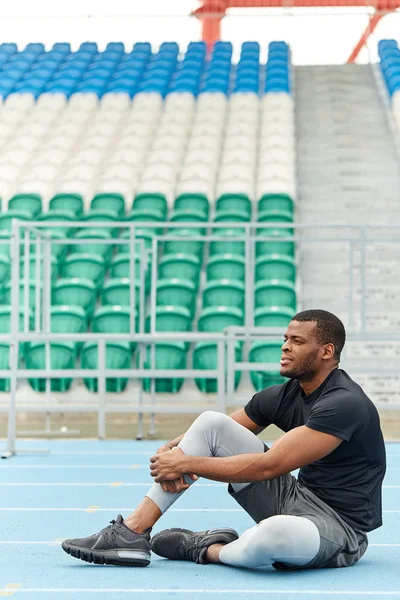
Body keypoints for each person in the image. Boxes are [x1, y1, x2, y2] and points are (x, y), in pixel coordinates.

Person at [61, 309, 386, 570]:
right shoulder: (285, 395)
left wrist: (185, 463)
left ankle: (208, 549)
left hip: (337, 527)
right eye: (285, 338)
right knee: (210, 422)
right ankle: (131, 533)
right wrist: (174, 452)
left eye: (297, 341)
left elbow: (268, 465)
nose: (285, 346)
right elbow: (213, 434)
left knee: (274, 537)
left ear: (327, 351)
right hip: (292, 496)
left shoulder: (344, 404)